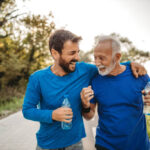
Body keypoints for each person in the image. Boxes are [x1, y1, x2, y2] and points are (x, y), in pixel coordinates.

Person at [22, 29, 147, 150]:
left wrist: (131, 64)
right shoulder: (37, 78)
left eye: (78, 52)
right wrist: (52, 114)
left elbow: (111, 66)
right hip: (47, 144)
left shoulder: (85, 70)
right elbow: (27, 110)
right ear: (55, 53)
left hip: (75, 143)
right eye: (72, 53)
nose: (77, 57)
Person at [81, 36, 150, 150]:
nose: (97, 63)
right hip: (106, 145)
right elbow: (89, 116)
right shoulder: (95, 81)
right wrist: (85, 105)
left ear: (117, 57)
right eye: (95, 57)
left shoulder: (139, 75)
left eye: (102, 58)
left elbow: (149, 91)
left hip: (139, 145)